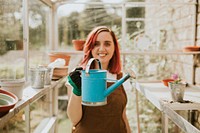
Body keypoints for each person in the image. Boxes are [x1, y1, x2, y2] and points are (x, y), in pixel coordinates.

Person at [66, 26, 131, 133]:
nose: (101, 49)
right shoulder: (78, 76)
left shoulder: (120, 78)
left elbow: (123, 116)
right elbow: (74, 119)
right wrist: (77, 90)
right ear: (90, 47)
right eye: (96, 44)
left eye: (107, 44)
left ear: (114, 48)